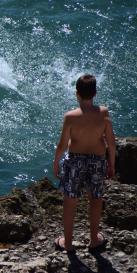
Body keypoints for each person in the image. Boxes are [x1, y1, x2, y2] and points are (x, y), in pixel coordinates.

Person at [53, 74, 115, 253]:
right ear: (95, 93)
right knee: (95, 199)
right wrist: (111, 164)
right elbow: (111, 142)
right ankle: (94, 240)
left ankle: (69, 244)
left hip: (74, 161)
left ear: (76, 93)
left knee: (70, 201)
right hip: (97, 160)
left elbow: (62, 144)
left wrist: (56, 163)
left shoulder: (70, 116)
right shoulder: (103, 113)